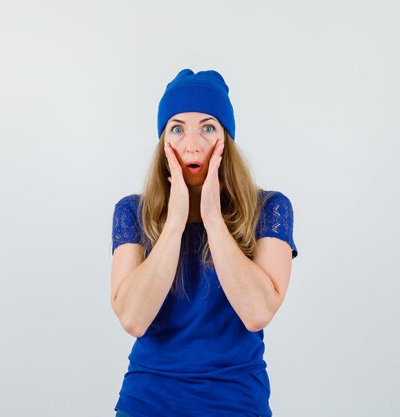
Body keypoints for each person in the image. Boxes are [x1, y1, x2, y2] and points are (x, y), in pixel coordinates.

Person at [110, 69, 298, 417]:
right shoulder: (132, 212)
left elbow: (257, 313)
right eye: (177, 129)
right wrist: (176, 218)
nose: (192, 145)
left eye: (208, 128)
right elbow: (133, 319)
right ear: (163, 142)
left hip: (236, 403)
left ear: (225, 138)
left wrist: (212, 216)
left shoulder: (271, 208)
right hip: (147, 401)